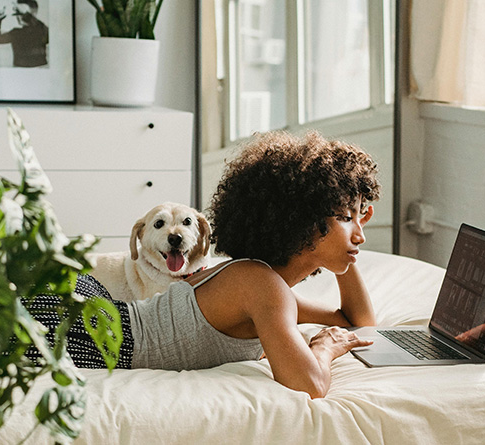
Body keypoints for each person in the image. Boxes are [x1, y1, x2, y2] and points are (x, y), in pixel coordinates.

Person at [25, 130, 382, 399]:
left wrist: (345, 249)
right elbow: (311, 385)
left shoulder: (263, 285)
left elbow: (359, 324)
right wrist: (324, 347)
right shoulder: (261, 286)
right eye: (347, 218)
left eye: (359, 219)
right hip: (88, 328)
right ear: (303, 220)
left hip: (95, 313)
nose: (360, 234)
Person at [0, 0, 49, 68]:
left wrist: (26, 14)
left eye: (21, 14)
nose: (18, 18)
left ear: (33, 14)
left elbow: (45, 34)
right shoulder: (16, 33)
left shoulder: (41, 30)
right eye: (17, 15)